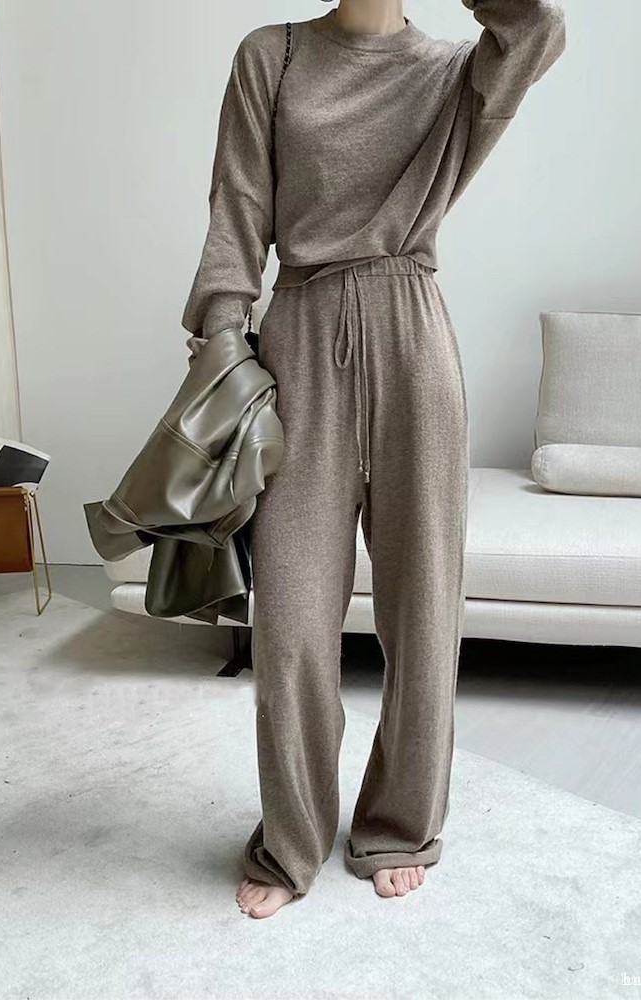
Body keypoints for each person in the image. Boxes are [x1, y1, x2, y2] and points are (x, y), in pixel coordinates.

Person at [182, 0, 566, 919]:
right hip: (298, 341)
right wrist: (221, 343)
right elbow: (238, 208)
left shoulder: (456, 69)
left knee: (423, 608)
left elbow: (539, 28)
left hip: (412, 339)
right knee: (290, 623)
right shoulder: (272, 56)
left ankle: (399, 823)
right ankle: (292, 837)